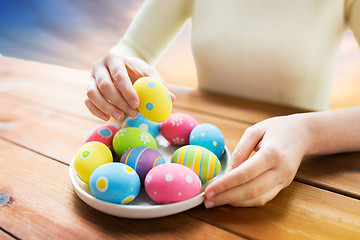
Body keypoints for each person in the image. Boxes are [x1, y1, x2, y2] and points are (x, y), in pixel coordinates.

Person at [85, 0, 360, 208]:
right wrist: (115, 66)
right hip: (211, 149)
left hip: (310, 178)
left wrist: (307, 132)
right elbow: (133, 48)